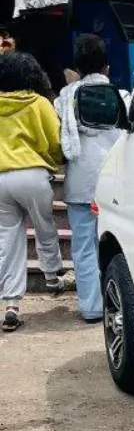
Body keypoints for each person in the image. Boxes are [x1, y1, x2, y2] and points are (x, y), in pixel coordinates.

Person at [56, 34, 126, 324]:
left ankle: (91, 308)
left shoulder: (65, 97)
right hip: (114, 180)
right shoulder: (120, 95)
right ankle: (120, 304)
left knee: (84, 247)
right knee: (121, 244)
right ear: (107, 67)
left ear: (77, 66)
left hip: (80, 185)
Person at [0, 49, 65, 331]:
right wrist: (54, 163)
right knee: (44, 226)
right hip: (34, 175)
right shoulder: (39, 103)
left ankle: (11, 303)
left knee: (8, 240)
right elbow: (55, 140)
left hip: (0, 178)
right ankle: (52, 276)